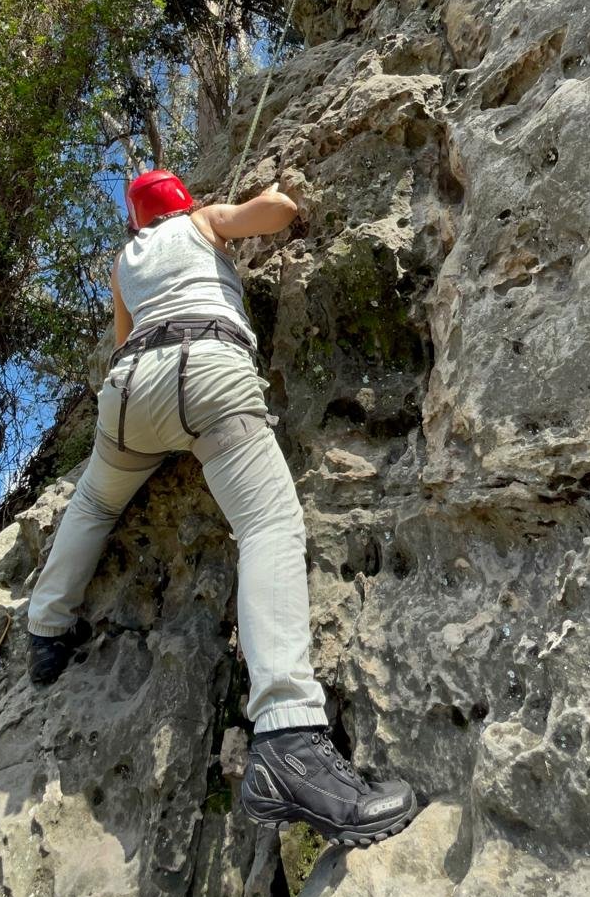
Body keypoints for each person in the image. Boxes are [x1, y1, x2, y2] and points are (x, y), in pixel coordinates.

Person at [27, 170, 416, 845]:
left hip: (129, 392)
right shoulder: (201, 220)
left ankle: (44, 630)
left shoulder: (124, 263)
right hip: (205, 368)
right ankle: (288, 735)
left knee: (93, 503)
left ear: (135, 220)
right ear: (181, 202)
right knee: (266, 523)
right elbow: (275, 214)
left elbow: (121, 338)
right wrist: (275, 195)